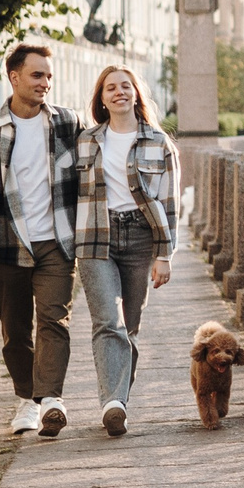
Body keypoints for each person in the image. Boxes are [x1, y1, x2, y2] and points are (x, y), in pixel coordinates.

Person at [0, 43, 86, 437]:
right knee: (15, 331)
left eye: (49, 75)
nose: (45, 82)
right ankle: (28, 398)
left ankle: (50, 401)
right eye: (37, 75)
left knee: (54, 321)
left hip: (57, 243)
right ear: (14, 77)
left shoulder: (68, 123)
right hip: (8, 244)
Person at [73, 62, 174, 435]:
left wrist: (164, 255)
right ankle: (112, 404)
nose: (119, 92)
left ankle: (119, 401)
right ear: (101, 99)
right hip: (95, 237)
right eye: (111, 87)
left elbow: (169, 204)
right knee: (108, 321)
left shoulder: (158, 142)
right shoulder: (86, 141)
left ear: (136, 94)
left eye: (125, 86)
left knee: (129, 327)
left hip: (141, 238)